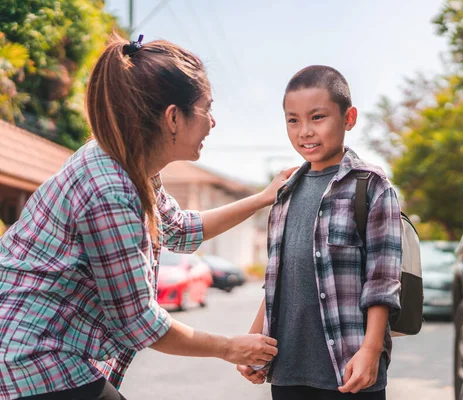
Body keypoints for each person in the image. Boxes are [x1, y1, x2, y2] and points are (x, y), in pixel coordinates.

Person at [0, 34, 294, 400]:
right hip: (31, 358)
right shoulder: (109, 188)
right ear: (173, 117)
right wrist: (229, 347)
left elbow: (182, 230)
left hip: (43, 354)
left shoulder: (133, 164)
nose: (213, 123)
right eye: (207, 109)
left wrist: (262, 198)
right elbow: (138, 322)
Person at [237, 65, 402, 399]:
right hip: (288, 370)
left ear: (349, 118)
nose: (305, 132)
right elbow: (275, 281)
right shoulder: (283, 193)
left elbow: (382, 281)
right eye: (293, 120)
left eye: (318, 117)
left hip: (349, 367)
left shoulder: (370, 186)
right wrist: (253, 341)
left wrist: (371, 351)